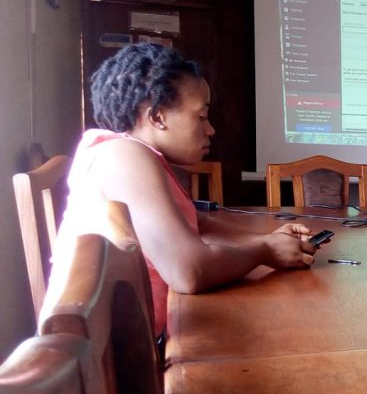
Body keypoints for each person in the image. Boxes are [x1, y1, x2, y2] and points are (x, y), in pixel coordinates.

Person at [55, 43, 323, 338]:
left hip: (136, 345)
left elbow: (199, 224)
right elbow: (188, 272)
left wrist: (268, 239)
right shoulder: (124, 156)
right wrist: (264, 250)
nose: (211, 130)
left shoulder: (134, 153)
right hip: (129, 363)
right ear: (157, 117)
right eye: (201, 116)